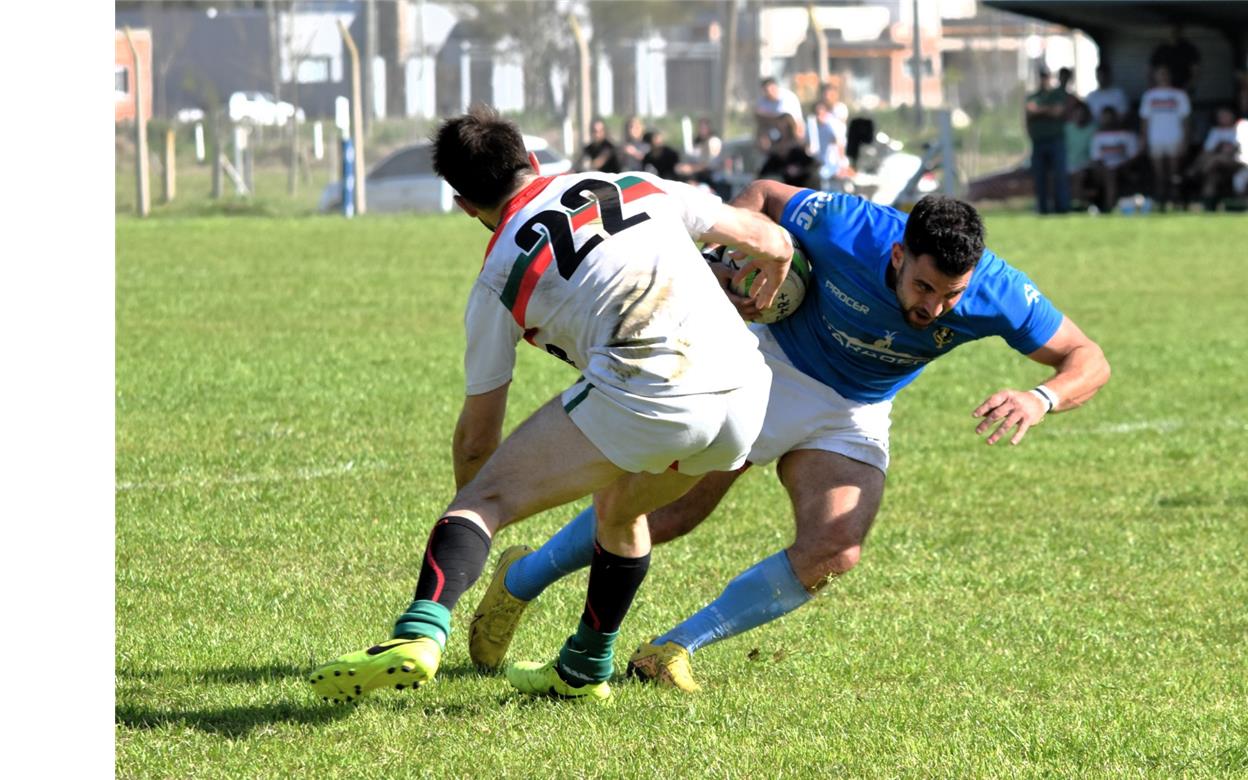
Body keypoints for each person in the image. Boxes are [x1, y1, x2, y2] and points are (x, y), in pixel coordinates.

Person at [468, 184, 1112, 693]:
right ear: (897, 255)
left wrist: (1040, 397)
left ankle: (670, 649)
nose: (934, 308)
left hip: (856, 407)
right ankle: (521, 579)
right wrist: (729, 263)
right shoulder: (849, 225)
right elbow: (765, 196)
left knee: (836, 548)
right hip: (765, 367)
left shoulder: (999, 292)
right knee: (667, 514)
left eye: (952, 296)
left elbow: (1087, 358)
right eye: (923, 288)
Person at [307, 104, 796, 703]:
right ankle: (585, 668)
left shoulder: (497, 279)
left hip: (651, 387)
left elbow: (477, 439)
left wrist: (475, 511)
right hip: (747, 395)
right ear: (533, 161)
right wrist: (775, 270)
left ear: (464, 205)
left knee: (482, 501)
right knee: (619, 510)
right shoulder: (633, 184)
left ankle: (418, 632)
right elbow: (770, 239)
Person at [1139, 65, 1191, 209]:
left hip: (1175, 137)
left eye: (1165, 73)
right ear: (1155, 76)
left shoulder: (1180, 95)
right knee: (1159, 173)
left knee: (1174, 172)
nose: (1163, 76)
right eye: (1160, 73)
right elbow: (1144, 120)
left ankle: (1175, 199)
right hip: (1155, 138)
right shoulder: (1149, 96)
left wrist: (1185, 140)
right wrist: (1143, 139)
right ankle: (1161, 201)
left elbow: (1186, 120)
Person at [1187, 105, 1248, 211]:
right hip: (1220, 164)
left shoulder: (1242, 125)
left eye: (1225, 115)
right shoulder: (1216, 131)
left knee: (1213, 161)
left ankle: (1194, 173)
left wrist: (1217, 155)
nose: (1222, 118)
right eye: (1220, 116)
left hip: (1242, 161)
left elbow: (1235, 149)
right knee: (1212, 176)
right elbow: (1207, 151)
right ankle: (1207, 205)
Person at [1025, 66, 1071, 215]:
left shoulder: (1057, 94)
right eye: (1042, 76)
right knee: (1040, 177)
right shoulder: (1033, 96)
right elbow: (1029, 112)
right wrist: (1048, 110)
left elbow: (1058, 112)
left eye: (1046, 76)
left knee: (1059, 176)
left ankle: (1062, 208)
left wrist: (1038, 111)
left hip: (1055, 140)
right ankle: (1043, 208)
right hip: (1038, 141)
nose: (1044, 79)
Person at [1089, 106, 1142, 212]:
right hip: (1104, 169)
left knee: (1112, 174)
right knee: (1109, 174)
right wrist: (1106, 168)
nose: (1108, 121)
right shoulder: (1098, 136)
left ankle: (1111, 207)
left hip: (1124, 167)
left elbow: (1134, 156)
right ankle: (1108, 206)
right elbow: (1096, 158)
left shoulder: (1127, 134)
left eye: (1110, 117)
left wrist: (1122, 166)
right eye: (1105, 118)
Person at [1149, 23, 1201, 94]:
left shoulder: (1189, 49)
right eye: (1171, 30)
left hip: (1183, 88)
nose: (1173, 33)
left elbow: (1195, 70)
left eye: (1176, 30)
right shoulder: (1160, 49)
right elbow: (1152, 70)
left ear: (1181, 31)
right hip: (1163, 89)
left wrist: (1191, 85)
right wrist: (1152, 87)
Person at [1064, 101, 1097, 204]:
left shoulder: (1093, 129)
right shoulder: (1066, 129)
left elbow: (1094, 152)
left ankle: (1077, 203)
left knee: (1078, 176)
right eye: (1077, 113)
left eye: (1082, 114)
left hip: (1086, 165)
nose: (1079, 116)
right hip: (1067, 165)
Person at [812, 101, 851, 188]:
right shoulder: (833, 125)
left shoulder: (830, 125)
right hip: (828, 168)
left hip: (830, 168)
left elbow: (839, 146)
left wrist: (842, 165)